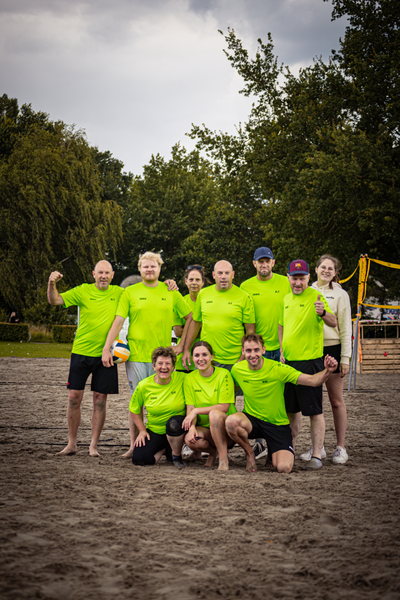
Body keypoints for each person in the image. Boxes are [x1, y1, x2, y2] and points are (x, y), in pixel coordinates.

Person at [102, 252, 192, 458]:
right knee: (137, 401)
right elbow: (118, 321)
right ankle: (134, 445)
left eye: (153, 266)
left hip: (163, 359)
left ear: (160, 269)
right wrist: (107, 348)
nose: (149, 269)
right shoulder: (130, 293)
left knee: (170, 401)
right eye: (145, 266)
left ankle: (171, 443)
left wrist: (183, 346)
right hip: (136, 356)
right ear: (140, 269)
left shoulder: (171, 291)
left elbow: (191, 317)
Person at [226, 334, 338, 473]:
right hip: (253, 421)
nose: (253, 354)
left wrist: (327, 371)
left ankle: (272, 452)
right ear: (243, 351)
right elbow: (230, 391)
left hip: (277, 425)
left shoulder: (278, 369)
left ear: (263, 350)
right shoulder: (237, 370)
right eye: (248, 351)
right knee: (231, 421)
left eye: (256, 350)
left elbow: (313, 381)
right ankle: (250, 453)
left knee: (283, 468)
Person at [47, 260, 124, 457]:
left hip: (106, 355)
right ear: (93, 274)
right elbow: (55, 300)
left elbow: (146, 293)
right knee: (74, 398)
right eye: (100, 272)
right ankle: (71, 444)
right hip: (81, 352)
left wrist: (169, 285)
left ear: (113, 275)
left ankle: (93, 446)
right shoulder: (83, 291)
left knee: (100, 400)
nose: (104, 276)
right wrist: (51, 283)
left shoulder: (120, 293)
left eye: (107, 273)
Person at [278, 259, 337, 469]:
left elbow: (333, 321)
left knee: (314, 411)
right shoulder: (285, 298)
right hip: (288, 364)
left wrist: (322, 312)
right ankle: (291, 451)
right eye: (294, 278)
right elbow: (281, 326)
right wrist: (282, 351)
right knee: (291, 411)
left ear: (308, 278)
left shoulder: (316, 296)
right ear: (288, 277)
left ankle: (316, 455)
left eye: (302, 278)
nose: (298, 282)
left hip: (310, 362)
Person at [299, 255, 352, 465]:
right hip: (312, 350)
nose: (326, 271)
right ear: (316, 269)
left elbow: (346, 328)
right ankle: (317, 448)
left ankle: (340, 447)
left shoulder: (341, 295)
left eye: (331, 268)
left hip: (333, 348)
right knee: (315, 402)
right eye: (323, 267)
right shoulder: (307, 290)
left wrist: (345, 358)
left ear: (335, 272)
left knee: (336, 400)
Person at [241, 246, 291, 459]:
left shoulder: (285, 282)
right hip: (257, 351)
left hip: (282, 349)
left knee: (282, 398)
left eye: (267, 261)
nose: (263, 264)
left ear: (273, 262)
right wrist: (248, 349)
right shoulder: (245, 286)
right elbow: (246, 320)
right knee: (255, 395)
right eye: (260, 261)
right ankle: (260, 442)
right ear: (254, 264)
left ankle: (281, 441)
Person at [182, 260, 255, 371]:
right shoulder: (203, 294)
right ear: (213, 275)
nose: (223, 276)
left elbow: (250, 331)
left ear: (233, 275)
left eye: (227, 273)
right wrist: (186, 349)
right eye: (220, 273)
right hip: (206, 358)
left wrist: (244, 356)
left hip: (234, 360)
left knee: (232, 389)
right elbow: (196, 323)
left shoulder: (244, 296)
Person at [129, 347, 187, 469]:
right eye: (160, 363)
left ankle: (176, 453)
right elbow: (134, 409)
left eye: (168, 364)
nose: (164, 367)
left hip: (178, 430)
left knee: (173, 423)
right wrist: (142, 430)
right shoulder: (144, 385)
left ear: (173, 367)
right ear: (154, 366)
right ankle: (165, 449)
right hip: (156, 430)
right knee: (139, 459)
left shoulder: (183, 379)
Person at [182, 341, 237, 469]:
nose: (200, 359)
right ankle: (213, 453)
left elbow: (224, 407)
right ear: (192, 358)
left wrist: (196, 411)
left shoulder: (224, 374)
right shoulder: (189, 379)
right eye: (196, 355)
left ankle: (223, 458)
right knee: (190, 440)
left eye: (204, 355)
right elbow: (190, 408)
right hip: (206, 430)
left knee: (214, 414)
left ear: (212, 357)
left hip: (226, 429)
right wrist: (192, 428)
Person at [173, 265, 206, 373]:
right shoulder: (180, 302)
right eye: (191, 279)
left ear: (203, 282)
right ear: (186, 281)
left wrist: (189, 329)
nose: (194, 283)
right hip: (183, 359)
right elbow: (178, 332)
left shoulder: (209, 301)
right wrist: (202, 329)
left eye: (197, 280)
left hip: (205, 358)